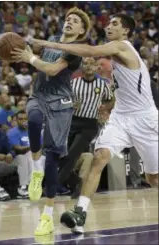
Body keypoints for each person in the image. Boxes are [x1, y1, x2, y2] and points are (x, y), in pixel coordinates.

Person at [33, 13, 158, 233]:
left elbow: (91, 51)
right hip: (120, 117)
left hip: (145, 120)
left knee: (153, 178)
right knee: (99, 157)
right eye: (108, 23)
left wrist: (49, 43)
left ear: (126, 31)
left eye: (115, 24)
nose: (109, 26)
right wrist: (110, 107)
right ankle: (80, 213)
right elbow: (125, 88)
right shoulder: (115, 55)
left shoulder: (123, 47)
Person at [11, 7, 90, 235]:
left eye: (75, 20)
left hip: (62, 102)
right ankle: (36, 167)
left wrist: (31, 57)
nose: (69, 21)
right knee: (33, 120)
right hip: (40, 96)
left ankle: (46, 216)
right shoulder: (54, 40)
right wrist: (25, 43)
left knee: (53, 158)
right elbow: (38, 46)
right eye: (68, 18)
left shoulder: (75, 51)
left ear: (81, 30)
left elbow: (53, 69)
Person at [58, 57, 112, 193]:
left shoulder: (102, 85)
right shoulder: (73, 83)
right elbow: (61, 101)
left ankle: (54, 184)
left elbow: (111, 100)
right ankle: (77, 182)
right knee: (62, 157)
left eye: (91, 64)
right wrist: (70, 105)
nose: (88, 66)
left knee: (72, 154)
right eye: (85, 63)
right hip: (72, 122)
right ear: (81, 66)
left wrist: (105, 108)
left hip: (89, 125)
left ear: (96, 67)